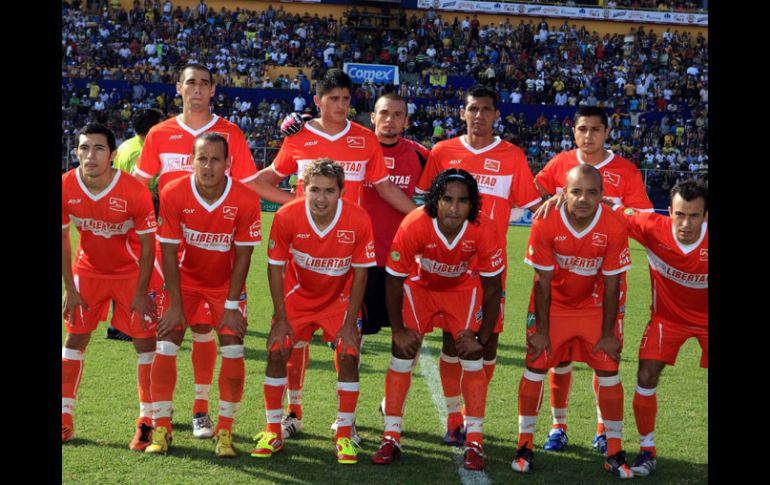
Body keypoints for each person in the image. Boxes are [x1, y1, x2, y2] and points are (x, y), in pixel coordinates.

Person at [254, 69, 416, 441]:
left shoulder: (364, 139)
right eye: (333, 99)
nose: (341, 106)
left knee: (348, 344)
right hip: (303, 258)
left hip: (347, 259)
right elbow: (263, 182)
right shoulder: (299, 138)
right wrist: (294, 203)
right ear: (317, 102)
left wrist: (421, 215)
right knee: (293, 340)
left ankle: (347, 423)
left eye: (346, 99)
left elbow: (385, 187)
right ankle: (292, 412)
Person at [133, 63, 260, 440]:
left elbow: (250, 187)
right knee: (160, 336)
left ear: (213, 90)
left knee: (206, 330)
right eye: (191, 82)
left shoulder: (231, 133)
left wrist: (299, 205)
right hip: (172, 254)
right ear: (179, 88)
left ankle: (202, 413)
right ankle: (150, 420)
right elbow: (140, 188)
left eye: (205, 83)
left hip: (217, 256)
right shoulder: (159, 134)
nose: (198, 90)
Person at [415, 85, 542, 445]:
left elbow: (533, 205)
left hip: (491, 267)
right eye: (473, 108)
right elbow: (426, 205)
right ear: (462, 113)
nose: (480, 115)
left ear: (497, 114)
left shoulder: (512, 155)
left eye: (487, 109)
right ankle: (457, 418)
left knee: (487, 345)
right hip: (448, 264)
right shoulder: (443, 152)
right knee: (453, 343)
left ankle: (473, 413)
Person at [532, 105, 653, 455]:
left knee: (604, 355)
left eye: (595, 130)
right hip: (562, 278)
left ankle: (603, 431)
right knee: (561, 356)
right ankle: (559, 426)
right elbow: (536, 195)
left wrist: (613, 209)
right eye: (582, 129)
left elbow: (642, 216)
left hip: (606, 278)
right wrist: (556, 198)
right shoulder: (559, 164)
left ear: (607, 132)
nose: (588, 136)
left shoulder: (626, 171)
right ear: (574, 132)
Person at [370, 169, 504, 471]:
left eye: (463, 201)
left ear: (473, 204)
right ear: (435, 200)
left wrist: (481, 338)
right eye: (447, 199)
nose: (454, 208)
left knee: (471, 359)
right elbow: (393, 281)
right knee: (402, 356)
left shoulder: (484, 228)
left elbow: (494, 287)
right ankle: (391, 436)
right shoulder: (415, 223)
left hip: (462, 290)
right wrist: (399, 331)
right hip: (421, 289)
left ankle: (475, 441)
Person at [511, 164, 633, 479]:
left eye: (592, 192)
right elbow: (541, 281)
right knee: (536, 363)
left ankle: (615, 451)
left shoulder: (614, 225)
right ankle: (524, 446)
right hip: (555, 305)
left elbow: (612, 284)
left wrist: (608, 333)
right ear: (563, 193)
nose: (583, 199)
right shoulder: (546, 220)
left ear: (602, 196)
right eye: (576, 191)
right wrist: (541, 330)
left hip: (594, 306)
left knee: (608, 367)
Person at [250, 158, 375, 465]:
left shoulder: (358, 219)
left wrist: (349, 323)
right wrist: (280, 318)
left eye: (329, 191)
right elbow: (275, 268)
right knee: (277, 349)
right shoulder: (287, 215)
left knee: (348, 353)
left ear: (341, 191)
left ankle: (344, 434)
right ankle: (272, 431)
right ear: (302, 189)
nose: (321, 198)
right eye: (314, 189)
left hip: (339, 297)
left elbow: (360, 274)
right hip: (298, 294)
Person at [146, 133, 261, 457]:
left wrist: (230, 306)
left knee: (233, 345)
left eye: (215, 159)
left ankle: (224, 431)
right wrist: (175, 306)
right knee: (167, 340)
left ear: (228, 163)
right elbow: (167, 252)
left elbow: (243, 257)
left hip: (225, 283)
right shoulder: (173, 192)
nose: (208, 166)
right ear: (192, 160)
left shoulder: (245, 199)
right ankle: (162, 428)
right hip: (184, 280)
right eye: (202, 159)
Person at [62, 123, 158, 450]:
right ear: (75, 152)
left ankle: (147, 421)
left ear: (113, 155)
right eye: (84, 148)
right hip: (87, 271)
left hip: (131, 272)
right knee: (75, 338)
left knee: (144, 344)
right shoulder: (65, 186)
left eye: (99, 148)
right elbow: (63, 238)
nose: (91, 155)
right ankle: (64, 416)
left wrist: (143, 291)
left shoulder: (133, 190)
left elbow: (148, 246)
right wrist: (69, 288)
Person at [608, 180, 708, 477]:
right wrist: (561, 200)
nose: (686, 224)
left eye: (694, 216)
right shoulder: (653, 227)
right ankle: (647, 450)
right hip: (668, 319)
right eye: (679, 214)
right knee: (646, 373)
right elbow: (609, 210)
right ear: (670, 211)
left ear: (706, 217)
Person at [106, 107, 165, 342]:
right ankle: (120, 326)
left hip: (119, 211)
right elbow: (138, 188)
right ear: (152, 129)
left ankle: (121, 323)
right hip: (135, 213)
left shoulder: (125, 147)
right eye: (160, 124)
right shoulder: (142, 151)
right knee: (133, 268)